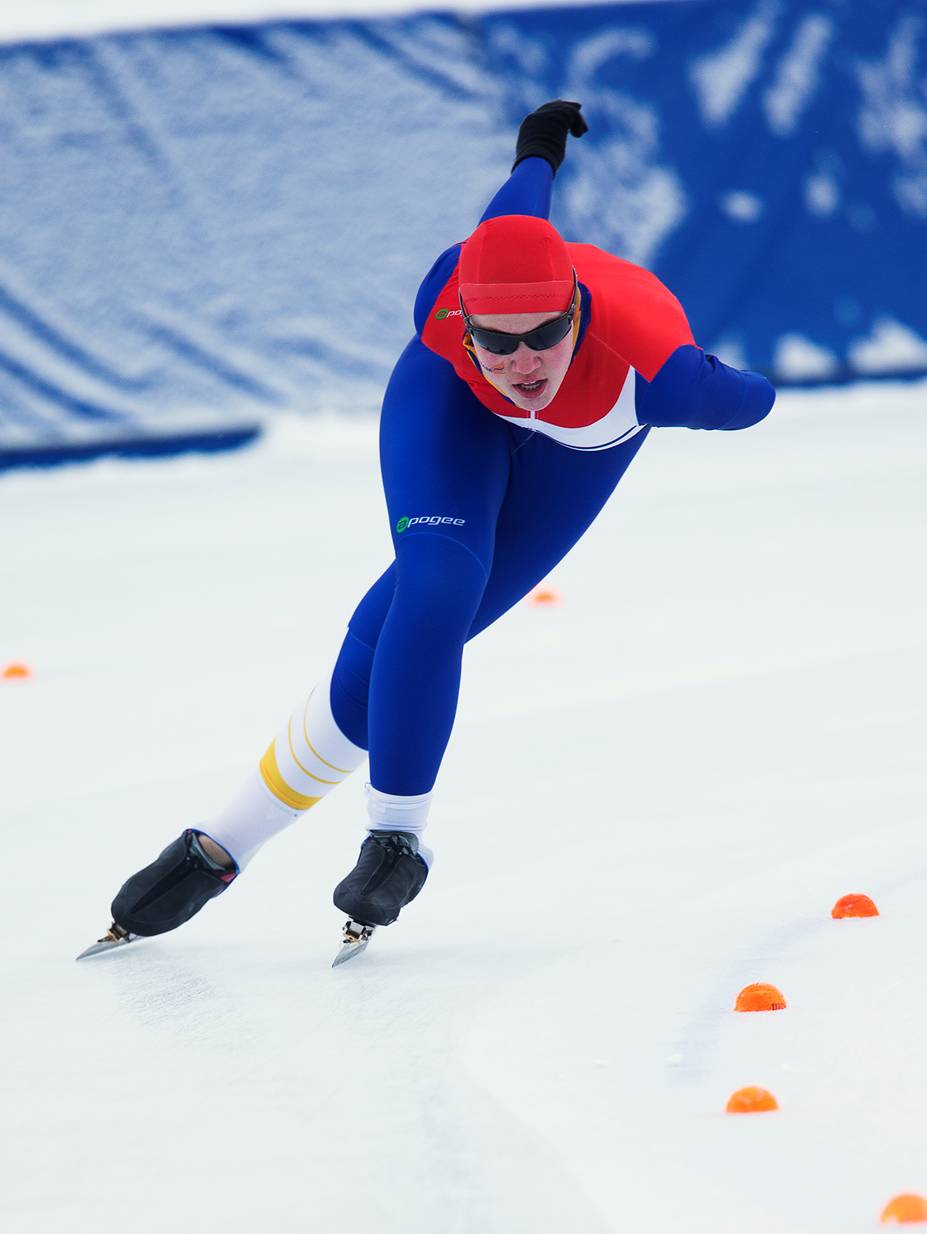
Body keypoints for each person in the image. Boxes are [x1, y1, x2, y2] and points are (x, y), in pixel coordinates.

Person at [89, 101, 775, 958]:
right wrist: (539, 147)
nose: (523, 363)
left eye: (544, 337)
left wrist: (719, 380)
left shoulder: (664, 375)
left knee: (388, 650)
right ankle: (394, 839)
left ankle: (222, 843)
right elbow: (515, 211)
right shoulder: (444, 304)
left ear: (576, 314)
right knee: (436, 588)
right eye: (497, 339)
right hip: (448, 403)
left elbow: (754, 399)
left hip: (593, 432)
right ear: (466, 320)